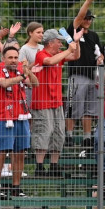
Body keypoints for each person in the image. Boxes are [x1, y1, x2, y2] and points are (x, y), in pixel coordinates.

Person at [30, 29, 80, 176]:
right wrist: (68, 49)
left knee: (59, 132)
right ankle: (39, 166)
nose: (60, 43)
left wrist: (75, 42)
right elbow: (49, 62)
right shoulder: (41, 54)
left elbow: (76, 55)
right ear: (50, 42)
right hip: (42, 101)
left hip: (56, 101)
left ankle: (54, 164)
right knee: (44, 131)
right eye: (58, 41)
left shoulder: (59, 55)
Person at [0, 45, 37, 199]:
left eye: (15, 57)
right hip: (5, 117)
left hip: (21, 115)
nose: (13, 60)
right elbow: (3, 83)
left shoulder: (20, 70)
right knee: (2, 153)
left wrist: (27, 71)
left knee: (20, 153)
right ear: (3, 59)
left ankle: (16, 187)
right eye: (10, 57)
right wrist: (23, 76)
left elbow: (35, 84)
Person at [65, 0, 102, 145]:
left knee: (90, 109)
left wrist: (100, 58)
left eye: (90, 18)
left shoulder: (94, 36)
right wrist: (88, 1)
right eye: (86, 18)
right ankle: (69, 135)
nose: (88, 21)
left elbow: (100, 54)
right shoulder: (72, 31)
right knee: (73, 105)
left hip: (92, 76)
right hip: (77, 74)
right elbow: (79, 18)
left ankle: (87, 137)